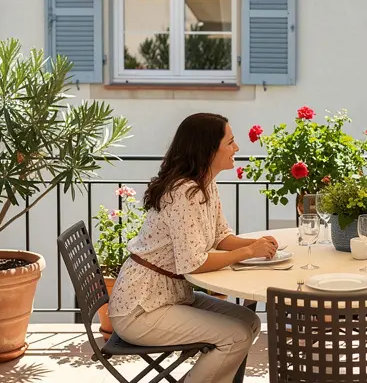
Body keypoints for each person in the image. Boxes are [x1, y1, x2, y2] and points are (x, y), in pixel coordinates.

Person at [108, 112, 278, 383]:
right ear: (208, 150)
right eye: (230, 142)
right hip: (141, 310)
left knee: (249, 321)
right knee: (236, 336)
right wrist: (248, 252)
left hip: (171, 297)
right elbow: (194, 263)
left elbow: (220, 236)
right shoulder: (184, 194)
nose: (237, 148)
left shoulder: (206, 183)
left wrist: (256, 244)